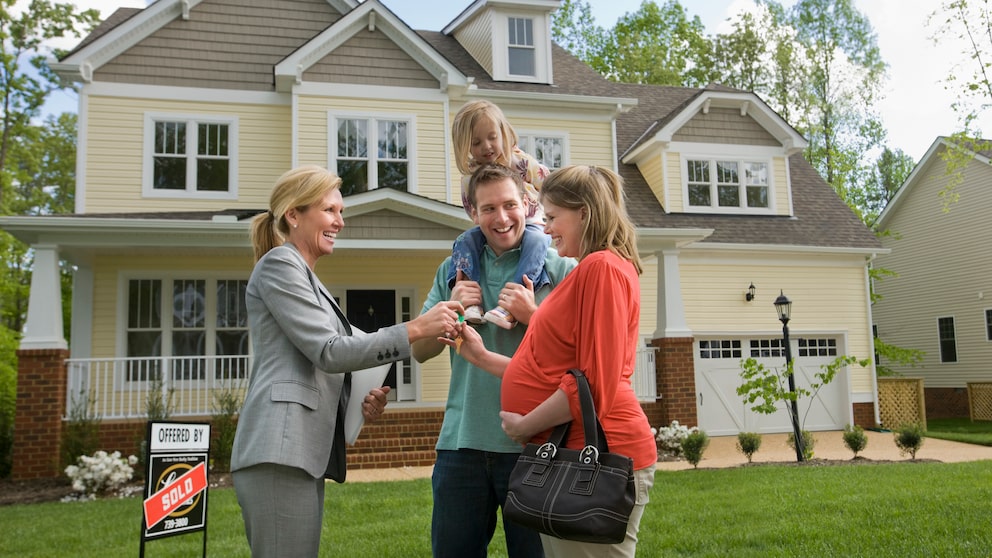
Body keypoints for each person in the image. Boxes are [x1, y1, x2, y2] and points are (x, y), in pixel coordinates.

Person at [231, 165, 463, 558]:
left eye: (341, 212)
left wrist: (359, 400)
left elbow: (337, 359)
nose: (340, 221)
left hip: (299, 452)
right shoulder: (280, 266)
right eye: (330, 211)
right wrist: (416, 327)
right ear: (293, 215)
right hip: (278, 451)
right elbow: (330, 351)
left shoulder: (309, 279)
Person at [443, 165, 657, 558]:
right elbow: (556, 373)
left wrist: (527, 425)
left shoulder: (601, 268)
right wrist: (482, 356)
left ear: (585, 214)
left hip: (594, 455)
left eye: (554, 217)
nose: (547, 227)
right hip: (571, 453)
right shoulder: (594, 269)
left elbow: (593, 383)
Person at [413, 163, 577, 558]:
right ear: (473, 212)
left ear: (526, 203)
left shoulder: (561, 269)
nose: (501, 218)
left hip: (537, 445)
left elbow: (580, 359)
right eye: (488, 209)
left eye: (509, 205)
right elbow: (420, 351)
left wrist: (534, 315)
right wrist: (450, 312)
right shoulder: (453, 270)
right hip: (461, 445)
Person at [449, 99, 552, 329]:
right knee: (464, 241)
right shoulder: (470, 177)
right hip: (490, 228)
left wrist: (551, 213)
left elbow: (546, 181)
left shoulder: (517, 160)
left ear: (503, 133)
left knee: (536, 241)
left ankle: (509, 304)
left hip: (530, 222)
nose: (486, 146)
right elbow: (471, 209)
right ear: (465, 145)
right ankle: (470, 300)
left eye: (492, 137)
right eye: (476, 142)